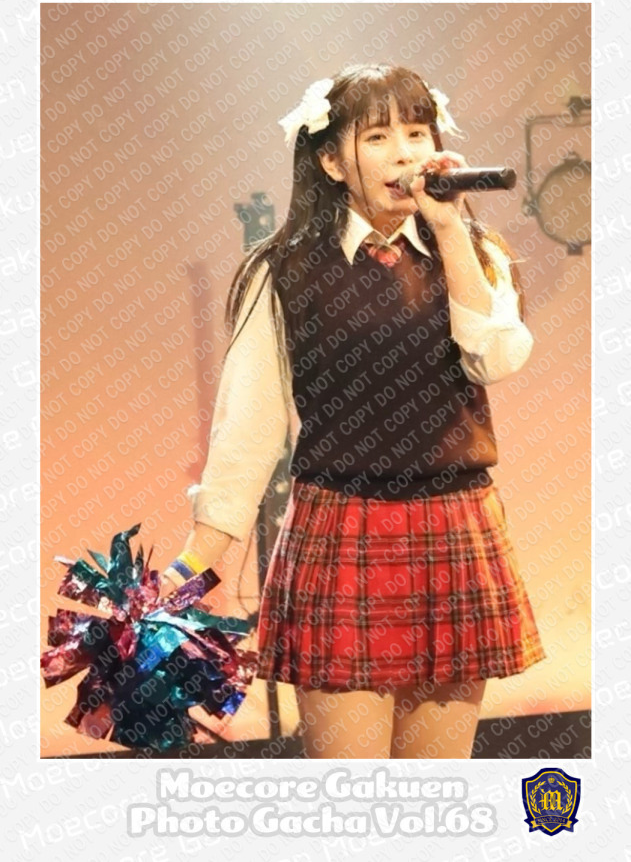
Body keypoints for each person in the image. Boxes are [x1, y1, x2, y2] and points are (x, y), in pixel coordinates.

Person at [160, 62, 545, 759]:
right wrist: (195, 564)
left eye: (417, 132)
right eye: (378, 137)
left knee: (434, 801)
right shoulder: (284, 269)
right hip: (341, 526)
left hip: (454, 525)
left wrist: (450, 231)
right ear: (333, 161)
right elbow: (249, 425)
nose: (405, 153)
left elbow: (494, 358)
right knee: (353, 798)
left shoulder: (473, 251)